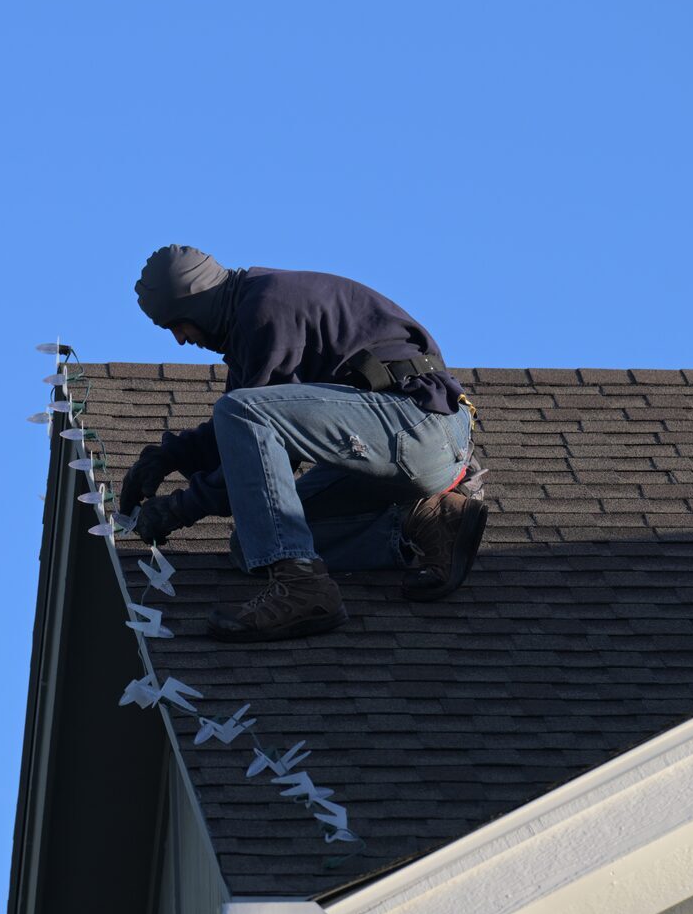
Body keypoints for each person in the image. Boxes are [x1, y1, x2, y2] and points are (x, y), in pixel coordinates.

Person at [118, 245, 488, 642]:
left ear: (198, 300)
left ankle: (303, 589)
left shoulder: (266, 309)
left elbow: (258, 438)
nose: (179, 339)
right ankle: (426, 519)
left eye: (177, 323)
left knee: (240, 413)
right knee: (256, 546)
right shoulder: (254, 316)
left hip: (420, 425)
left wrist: (179, 508)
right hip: (404, 441)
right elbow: (242, 443)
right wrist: (170, 455)